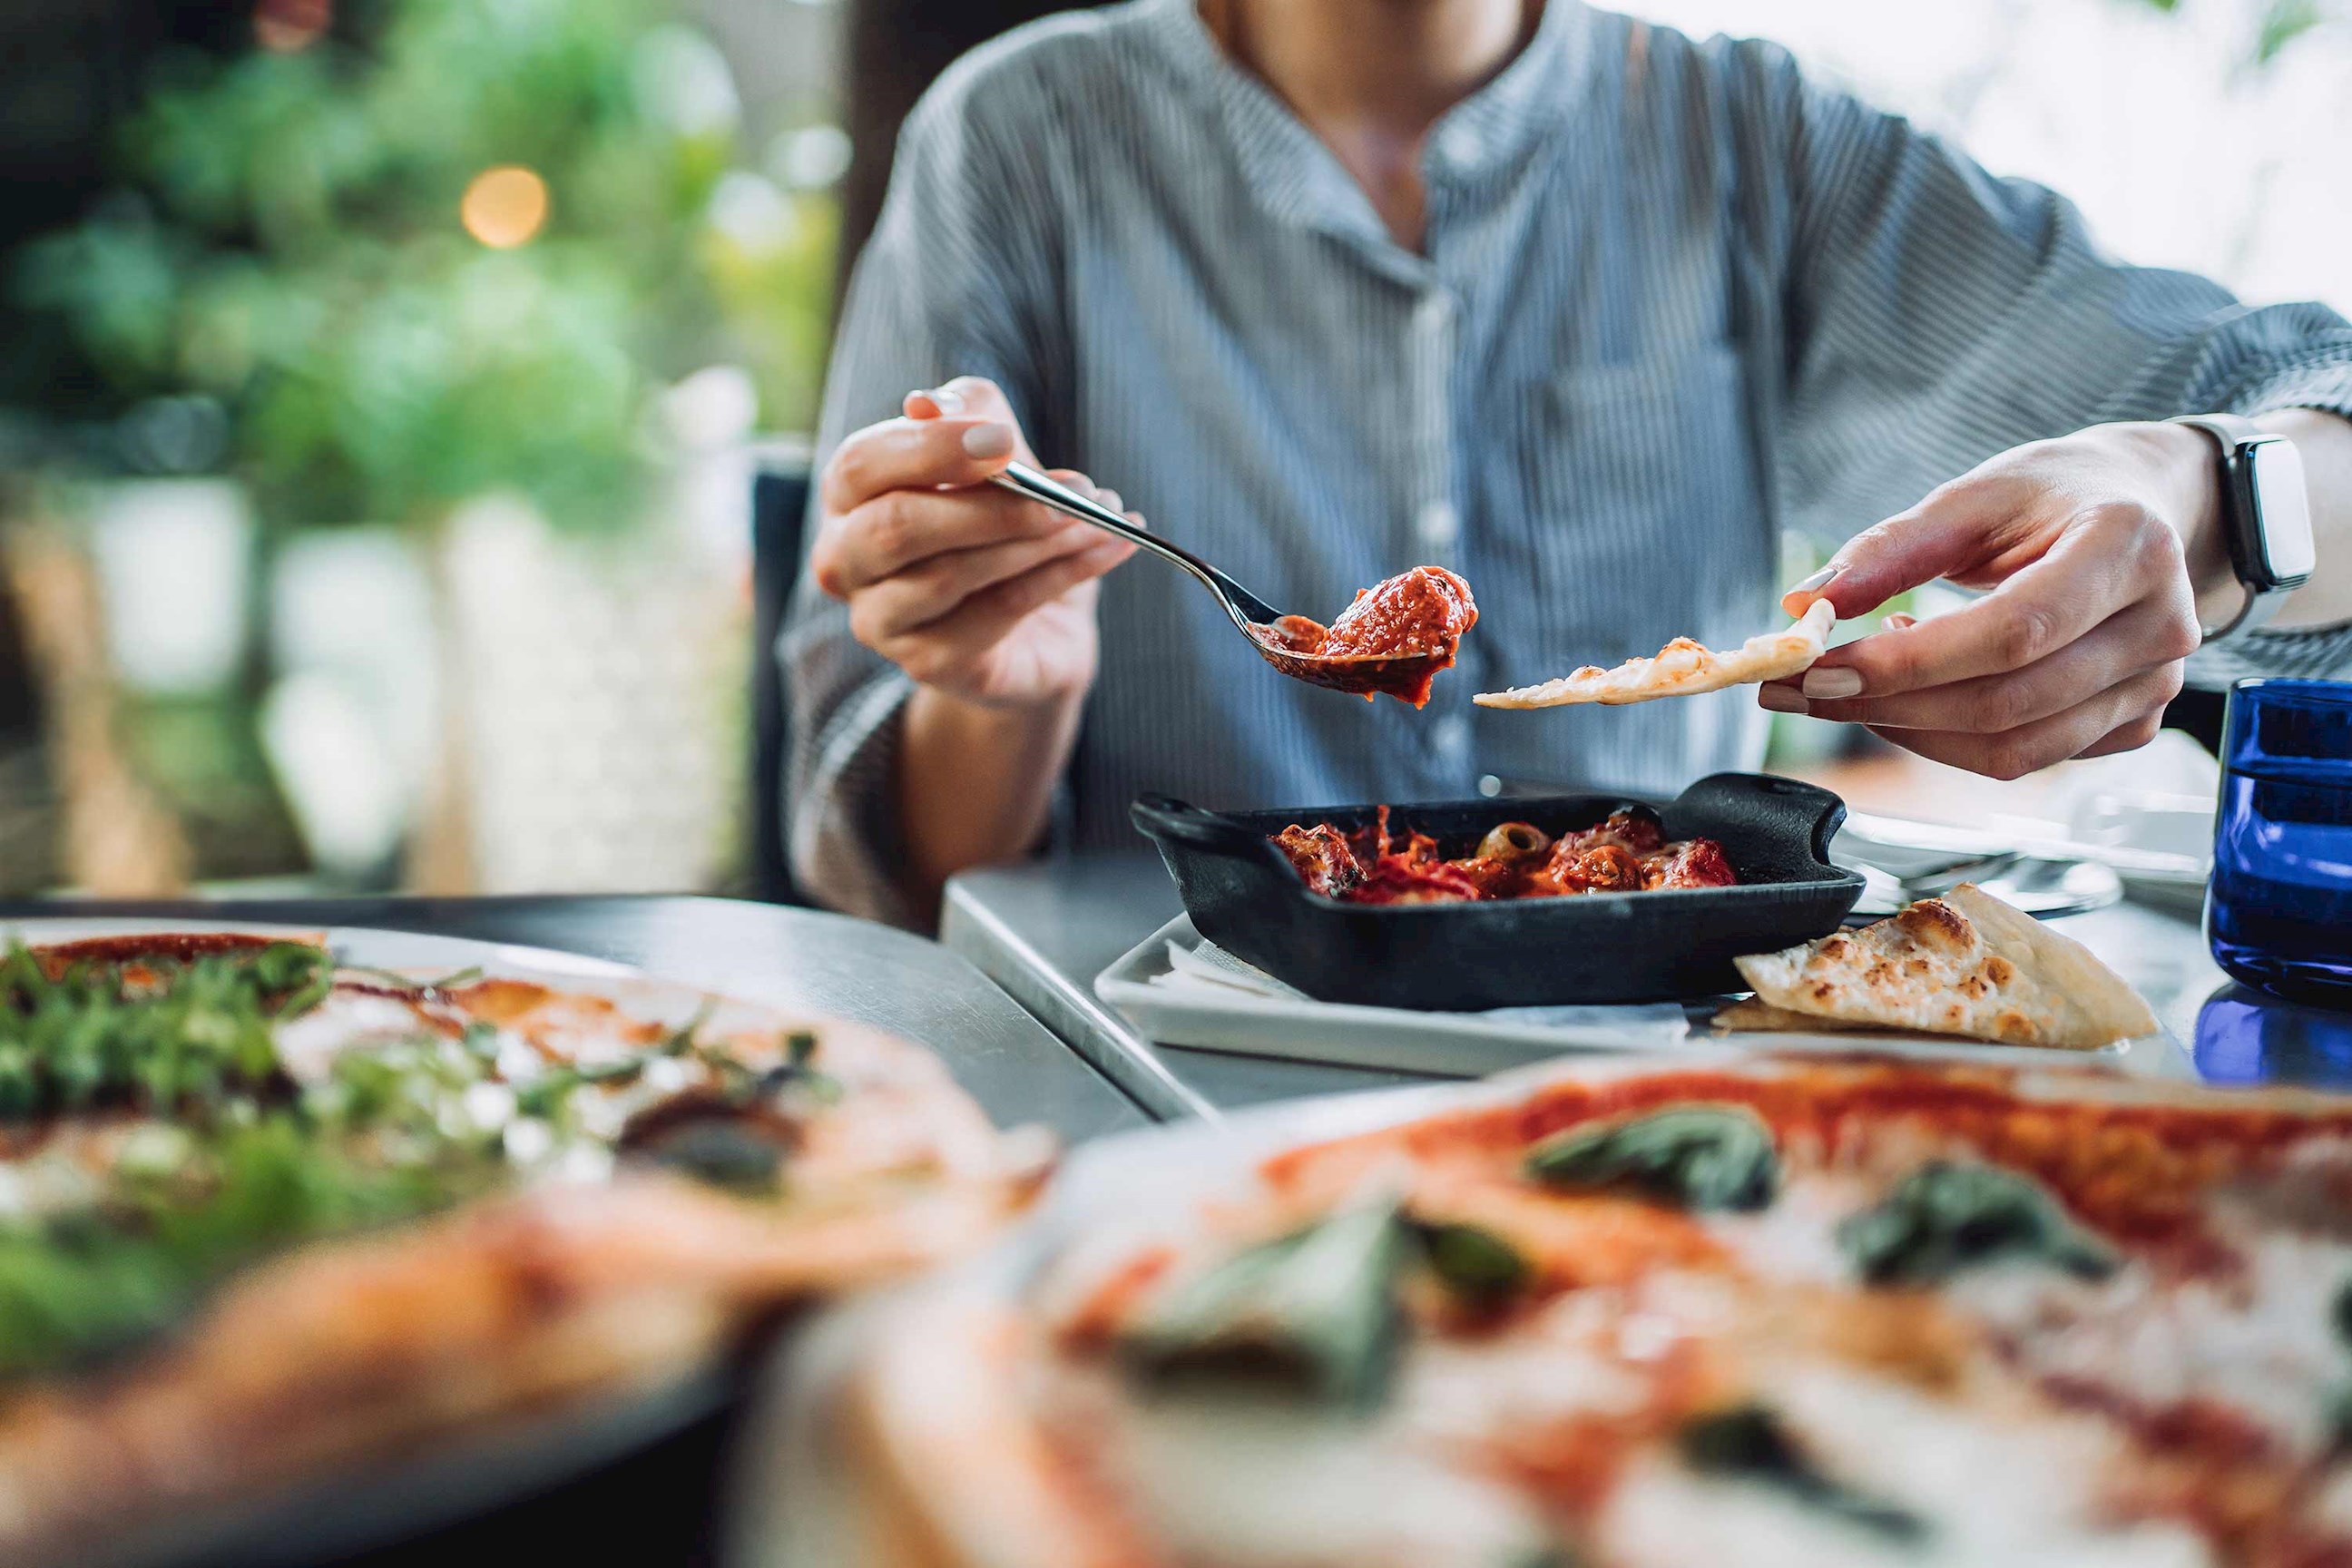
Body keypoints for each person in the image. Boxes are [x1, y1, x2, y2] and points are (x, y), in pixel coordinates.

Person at [785, 0, 2352, 927]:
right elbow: (894, 885)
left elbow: (2309, 416)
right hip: (1144, 1085)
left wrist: (2206, 493)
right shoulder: (1020, 142)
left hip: (1643, 1101)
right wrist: (1000, 692)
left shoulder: (1759, 144)